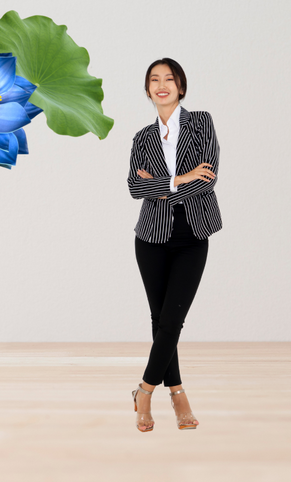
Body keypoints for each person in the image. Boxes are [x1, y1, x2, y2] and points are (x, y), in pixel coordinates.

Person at [127, 58, 222, 432]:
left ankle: (145, 391)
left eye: (170, 79)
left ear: (181, 87)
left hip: (193, 235)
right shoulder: (142, 138)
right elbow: (135, 189)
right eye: (154, 79)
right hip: (150, 238)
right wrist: (180, 178)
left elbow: (208, 178)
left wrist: (161, 185)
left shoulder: (201, 122)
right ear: (148, 89)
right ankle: (178, 390)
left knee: (172, 320)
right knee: (161, 320)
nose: (162, 84)